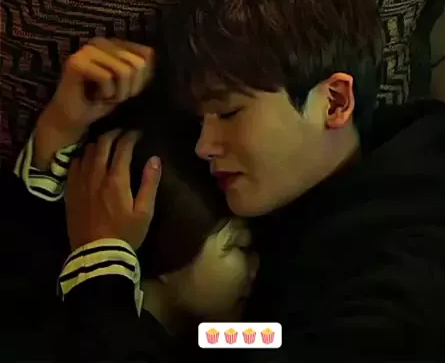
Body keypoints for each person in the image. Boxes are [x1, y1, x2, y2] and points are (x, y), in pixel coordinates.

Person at [160, 0, 445, 361]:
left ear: (334, 102)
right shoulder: (313, 212)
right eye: (200, 122)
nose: (203, 146)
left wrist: (109, 276)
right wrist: (202, 327)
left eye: (228, 112)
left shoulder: (396, 308)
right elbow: (273, 337)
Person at [6, 38, 257, 361]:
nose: (257, 266)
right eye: (239, 245)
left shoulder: (221, 336)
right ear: (171, 244)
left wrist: (55, 136)